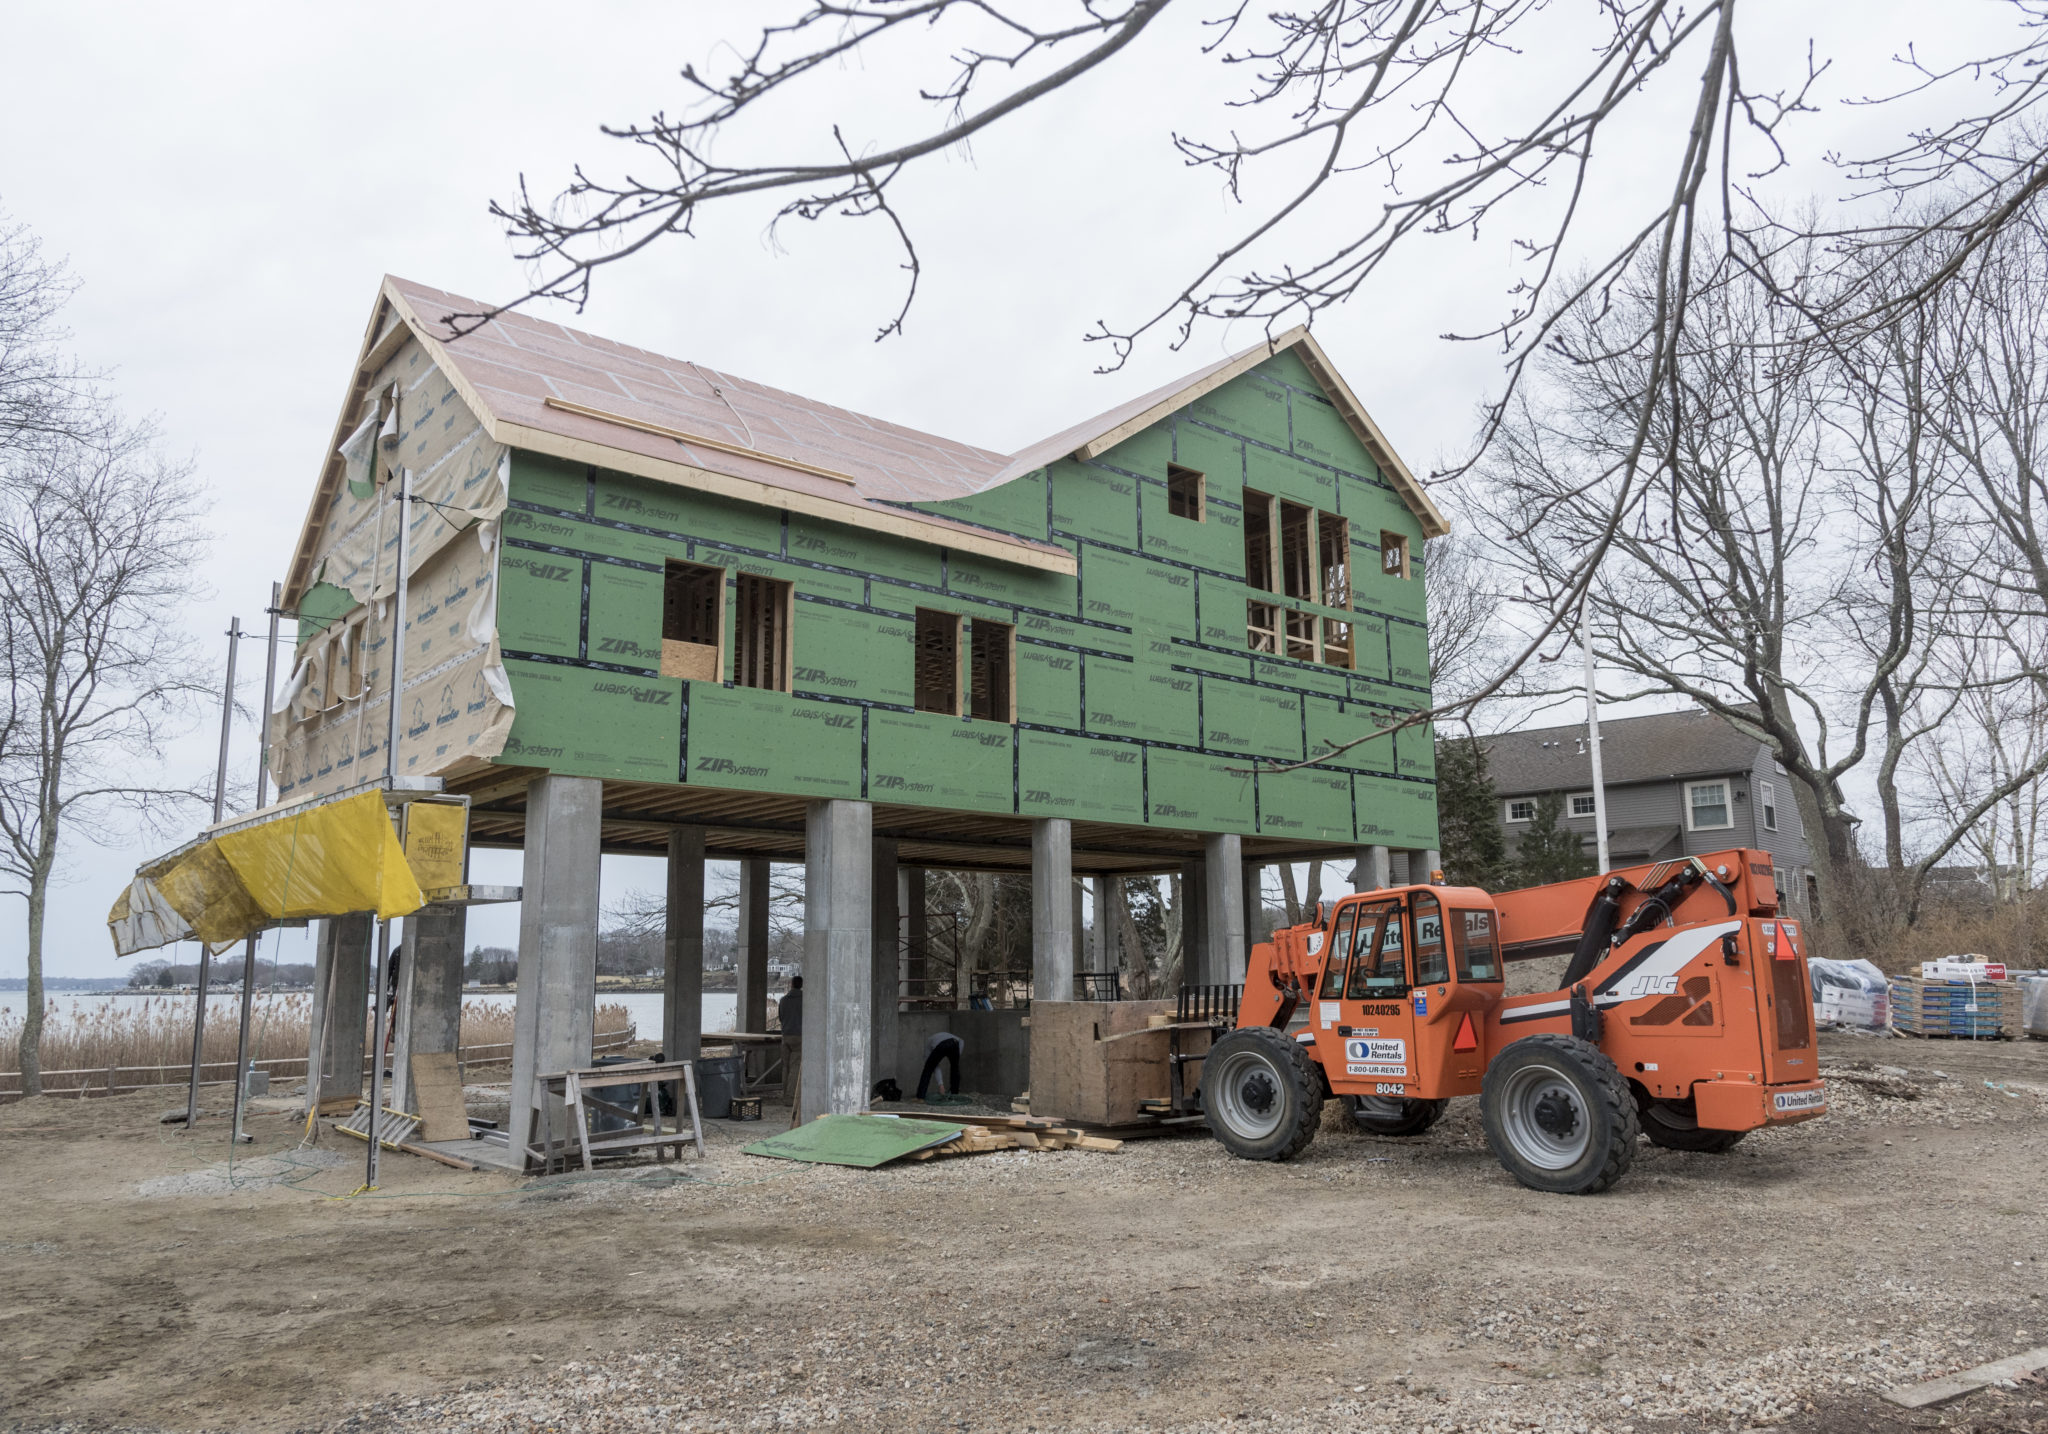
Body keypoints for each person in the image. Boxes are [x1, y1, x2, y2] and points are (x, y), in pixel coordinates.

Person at [778, 976, 804, 1126]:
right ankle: (790, 1098)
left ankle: (784, 1094)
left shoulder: (783, 1000)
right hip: (799, 1037)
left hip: (785, 1036)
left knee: (785, 1066)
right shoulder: (805, 1000)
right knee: (795, 1067)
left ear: (791, 984)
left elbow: (781, 1017)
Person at [916, 1029, 962, 1102]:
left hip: (942, 1044)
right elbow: (961, 1042)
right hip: (955, 1042)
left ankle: (920, 1097)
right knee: (955, 1068)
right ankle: (954, 1095)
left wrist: (941, 1085)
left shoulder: (928, 1043)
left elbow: (934, 1066)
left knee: (928, 1069)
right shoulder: (958, 1040)